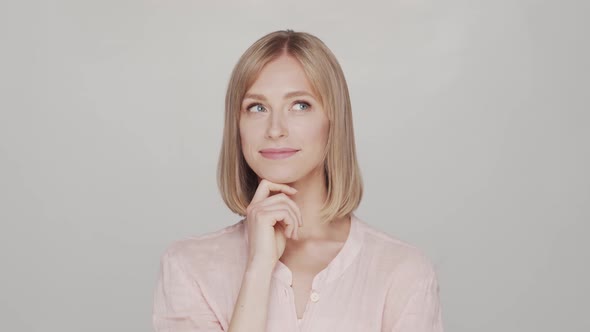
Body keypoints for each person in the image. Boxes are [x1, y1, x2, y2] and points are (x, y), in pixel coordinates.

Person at [152, 29, 444, 332]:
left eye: (300, 105)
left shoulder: (401, 271)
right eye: (257, 107)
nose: (275, 129)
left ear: (333, 121)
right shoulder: (188, 267)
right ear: (236, 125)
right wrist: (259, 268)